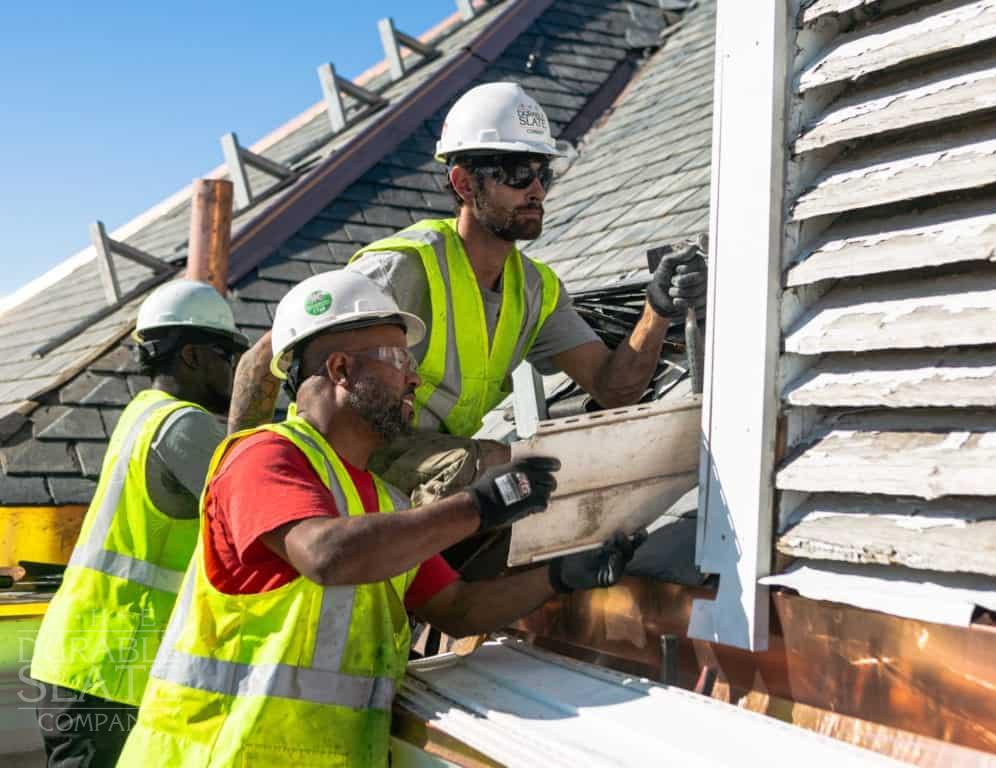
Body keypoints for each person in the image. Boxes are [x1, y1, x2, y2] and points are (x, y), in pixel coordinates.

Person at [117, 270, 643, 767]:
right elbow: (325, 554)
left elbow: (458, 608)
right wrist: (478, 506)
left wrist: (561, 575)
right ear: (341, 370)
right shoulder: (262, 456)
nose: (414, 378)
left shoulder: (384, 503)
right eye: (397, 358)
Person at [228, 81, 705, 573]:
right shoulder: (403, 268)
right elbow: (263, 356)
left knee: (543, 474)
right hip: (353, 454)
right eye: (518, 173)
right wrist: (240, 477)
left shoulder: (535, 289)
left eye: (543, 172)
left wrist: (656, 309)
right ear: (462, 183)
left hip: (429, 463)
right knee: (500, 471)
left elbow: (615, 388)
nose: (537, 189)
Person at [29, 279, 250, 767]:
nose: (233, 370)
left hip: (85, 663)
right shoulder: (184, 426)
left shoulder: (141, 413)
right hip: (108, 673)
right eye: (225, 355)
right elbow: (254, 518)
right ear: (191, 356)